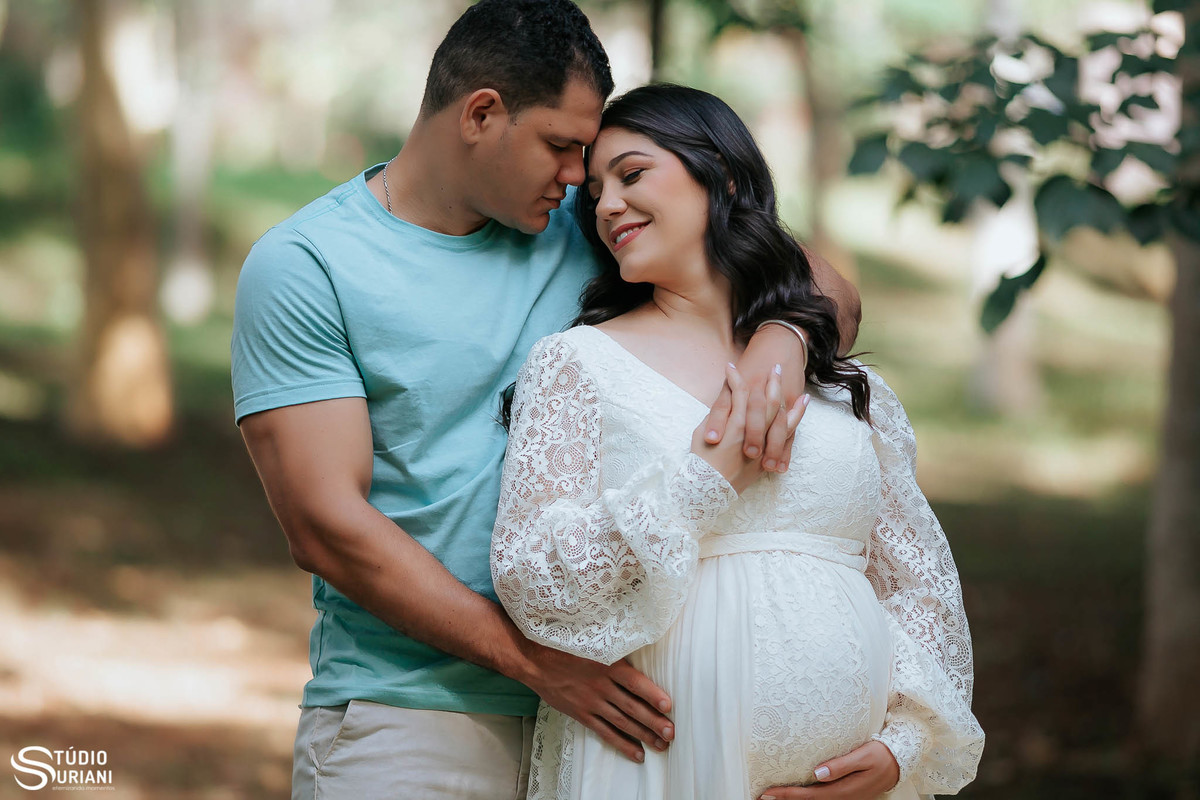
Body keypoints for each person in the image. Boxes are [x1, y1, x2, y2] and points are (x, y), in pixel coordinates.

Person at [231, 2, 860, 798]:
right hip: (417, 716)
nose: (578, 179)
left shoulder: (589, 220)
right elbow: (327, 527)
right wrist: (534, 662)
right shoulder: (307, 266)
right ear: (481, 114)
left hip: (618, 720)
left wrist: (784, 335)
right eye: (560, 147)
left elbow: (821, 285)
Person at [491, 84, 985, 800]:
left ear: (721, 174)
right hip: (656, 766)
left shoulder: (835, 379)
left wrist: (903, 745)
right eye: (594, 194)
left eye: (632, 174)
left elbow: (918, 585)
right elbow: (532, 575)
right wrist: (701, 481)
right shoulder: (577, 364)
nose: (606, 206)